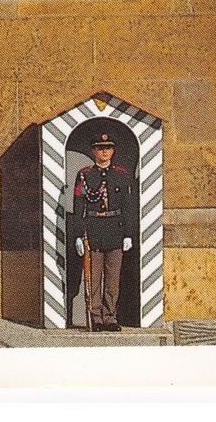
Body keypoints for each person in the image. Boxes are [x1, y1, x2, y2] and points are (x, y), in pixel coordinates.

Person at [69, 132, 137, 332]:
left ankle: (110, 317)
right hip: (93, 231)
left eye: (107, 148)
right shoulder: (85, 174)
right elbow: (78, 206)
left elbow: (128, 206)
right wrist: (78, 235)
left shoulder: (122, 175)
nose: (104, 151)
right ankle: (96, 317)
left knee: (113, 279)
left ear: (113, 150)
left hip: (116, 230)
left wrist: (128, 233)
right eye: (100, 148)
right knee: (94, 277)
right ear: (93, 151)